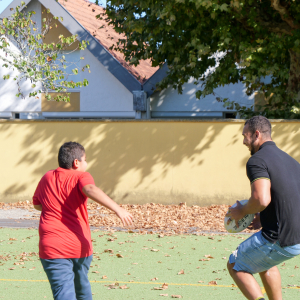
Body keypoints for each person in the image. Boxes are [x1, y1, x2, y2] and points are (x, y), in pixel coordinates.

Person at [33, 141, 133, 300]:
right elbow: (90, 189)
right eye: (85, 159)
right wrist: (118, 209)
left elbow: (38, 204)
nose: (87, 163)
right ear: (76, 162)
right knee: (82, 288)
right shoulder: (82, 176)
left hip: (52, 247)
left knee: (64, 292)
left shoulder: (47, 177)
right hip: (79, 245)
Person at [226, 116, 300, 300]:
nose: (243, 141)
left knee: (235, 264)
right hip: (297, 238)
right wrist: (261, 216)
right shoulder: (291, 161)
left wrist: (242, 211)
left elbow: (261, 198)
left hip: (279, 238)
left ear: (256, 134)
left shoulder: (256, 160)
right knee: (264, 263)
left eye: (245, 135)